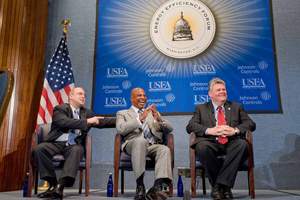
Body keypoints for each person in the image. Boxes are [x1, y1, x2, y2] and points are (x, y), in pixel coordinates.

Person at [32, 87, 115, 200]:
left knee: (77, 149)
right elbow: (63, 122)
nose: (83, 96)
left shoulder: (86, 112)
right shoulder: (60, 108)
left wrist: (123, 118)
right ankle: (52, 183)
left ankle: (60, 187)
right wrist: (86, 122)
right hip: (56, 142)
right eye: (80, 94)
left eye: (84, 95)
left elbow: (103, 120)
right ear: (71, 96)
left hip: (73, 145)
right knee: (39, 149)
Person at [186, 78, 256, 200]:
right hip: (210, 142)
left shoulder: (236, 107)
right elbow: (190, 126)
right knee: (202, 147)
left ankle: (218, 187)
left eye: (224, 89)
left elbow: (250, 124)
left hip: (231, 142)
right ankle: (226, 189)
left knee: (242, 144)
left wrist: (235, 130)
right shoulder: (201, 108)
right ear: (210, 94)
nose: (222, 91)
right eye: (218, 90)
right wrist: (209, 130)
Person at [116, 87, 173, 200]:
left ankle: (158, 188)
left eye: (144, 95)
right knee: (140, 141)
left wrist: (159, 119)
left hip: (152, 145)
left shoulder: (152, 113)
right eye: (139, 95)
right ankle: (140, 185)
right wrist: (139, 119)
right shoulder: (122, 113)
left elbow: (170, 128)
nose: (143, 97)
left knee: (164, 149)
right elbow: (121, 129)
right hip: (132, 144)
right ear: (132, 98)